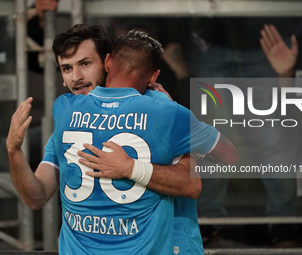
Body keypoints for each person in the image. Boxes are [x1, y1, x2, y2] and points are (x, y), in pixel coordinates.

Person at [7, 24, 237, 254]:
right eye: (66, 69)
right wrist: (14, 151)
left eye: (85, 64)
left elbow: (191, 184)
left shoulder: (66, 110)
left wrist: (131, 167)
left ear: (107, 63)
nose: (76, 77)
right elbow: (36, 197)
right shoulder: (70, 121)